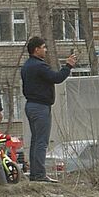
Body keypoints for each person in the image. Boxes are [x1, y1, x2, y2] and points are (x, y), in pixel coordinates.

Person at [20, 35, 77, 183]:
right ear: (36, 49)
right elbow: (57, 78)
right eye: (44, 47)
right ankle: (39, 174)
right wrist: (68, 66)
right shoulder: (39, 66)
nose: (45, 50)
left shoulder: (27, 65)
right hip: (40, 107)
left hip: (31, 105)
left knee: (35, 140)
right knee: (41, 141)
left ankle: (34, 173)